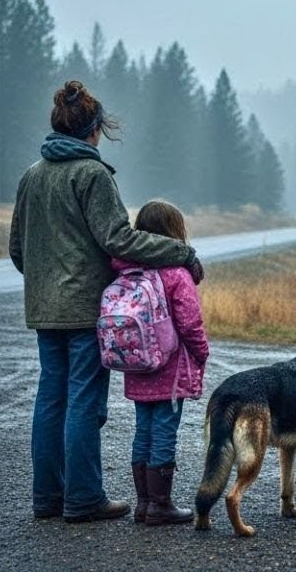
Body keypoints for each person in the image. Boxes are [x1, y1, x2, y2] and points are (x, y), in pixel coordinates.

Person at [9, 80, 205, 523]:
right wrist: (181, 253)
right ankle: (83, 499)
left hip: (44, 310)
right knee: (84, 401)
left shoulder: (31, 176)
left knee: (50, 399)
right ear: (94, 129)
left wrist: (46, 284)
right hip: (84, 311)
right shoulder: (91, 175)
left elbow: (18, 249)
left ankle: (48, 498)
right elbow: (119, 239)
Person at [114, 200, 210, 526]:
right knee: (165, 431)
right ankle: (161, 504)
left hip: (137, 364)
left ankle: (143, 504)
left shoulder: (127, 269)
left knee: (143, 430)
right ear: (174, 232)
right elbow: (190, 323)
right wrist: (201, 352)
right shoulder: (176, 274)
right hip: (169, 368)